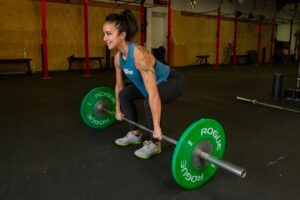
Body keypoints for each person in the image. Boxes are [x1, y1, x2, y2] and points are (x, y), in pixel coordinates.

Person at [103, 10, 186, 159]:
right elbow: (119, 86)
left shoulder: (139, 55)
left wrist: (157, 128)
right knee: (125, 95)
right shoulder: (117, 59)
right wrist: (117, 109)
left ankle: (155, 143)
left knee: (149, 100)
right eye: (104, 34)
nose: (105, 38)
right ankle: (135, 133)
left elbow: (153, 94)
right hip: (149, 85)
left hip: (172, 81)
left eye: (108, 34)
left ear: (122, 35)